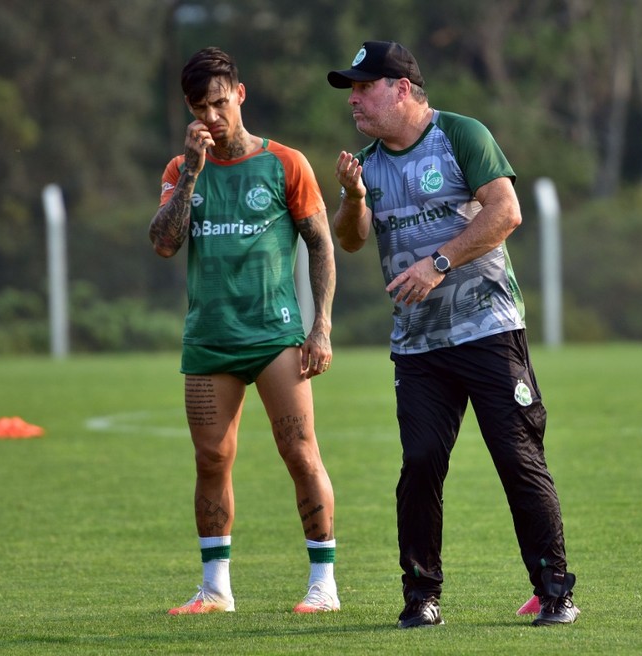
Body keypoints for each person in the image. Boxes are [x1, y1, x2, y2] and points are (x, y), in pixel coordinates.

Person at [326, 41, 579, 628]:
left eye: (365, 87)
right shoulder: (367, 161)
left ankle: (555, 592)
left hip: (489, 330)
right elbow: (353, 238)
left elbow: (506, 212)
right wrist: (353, 196)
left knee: (517, 459)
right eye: (352, 91)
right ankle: (421, 597)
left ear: (404, 88)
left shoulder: (461, 135)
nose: (355, 100)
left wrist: (437, 263)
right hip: (418, 345)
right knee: (419, 464)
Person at [149, 46, 339, 615]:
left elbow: (321, 244)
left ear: (241, 95)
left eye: (220, 102)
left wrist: (321, 325)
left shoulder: (285, 163)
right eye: (199, 107)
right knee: (211, 460)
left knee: (301, 453)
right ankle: (215, 589)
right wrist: (191, 177)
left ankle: (323, 585)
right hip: (209, 339)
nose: (212, 117)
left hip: (275, 337)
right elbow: (163, 243)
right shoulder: (181, 170)